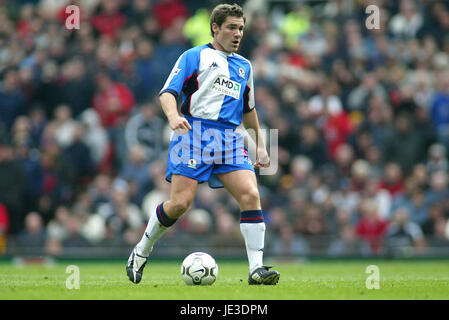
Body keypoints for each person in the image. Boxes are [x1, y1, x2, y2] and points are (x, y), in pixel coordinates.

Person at [126, 3, 280, 285]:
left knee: (250, 195)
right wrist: (173, 116)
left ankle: (256, 270)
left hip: (230, 137)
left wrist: (260, 144)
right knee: (180, 204)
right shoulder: (194, 56)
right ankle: (141, 250)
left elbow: (249, 109)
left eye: (241, 28)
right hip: (195, 133)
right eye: (232, 27)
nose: (237, 34)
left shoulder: (245, 66)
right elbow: (167, 93)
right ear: (215, 28)